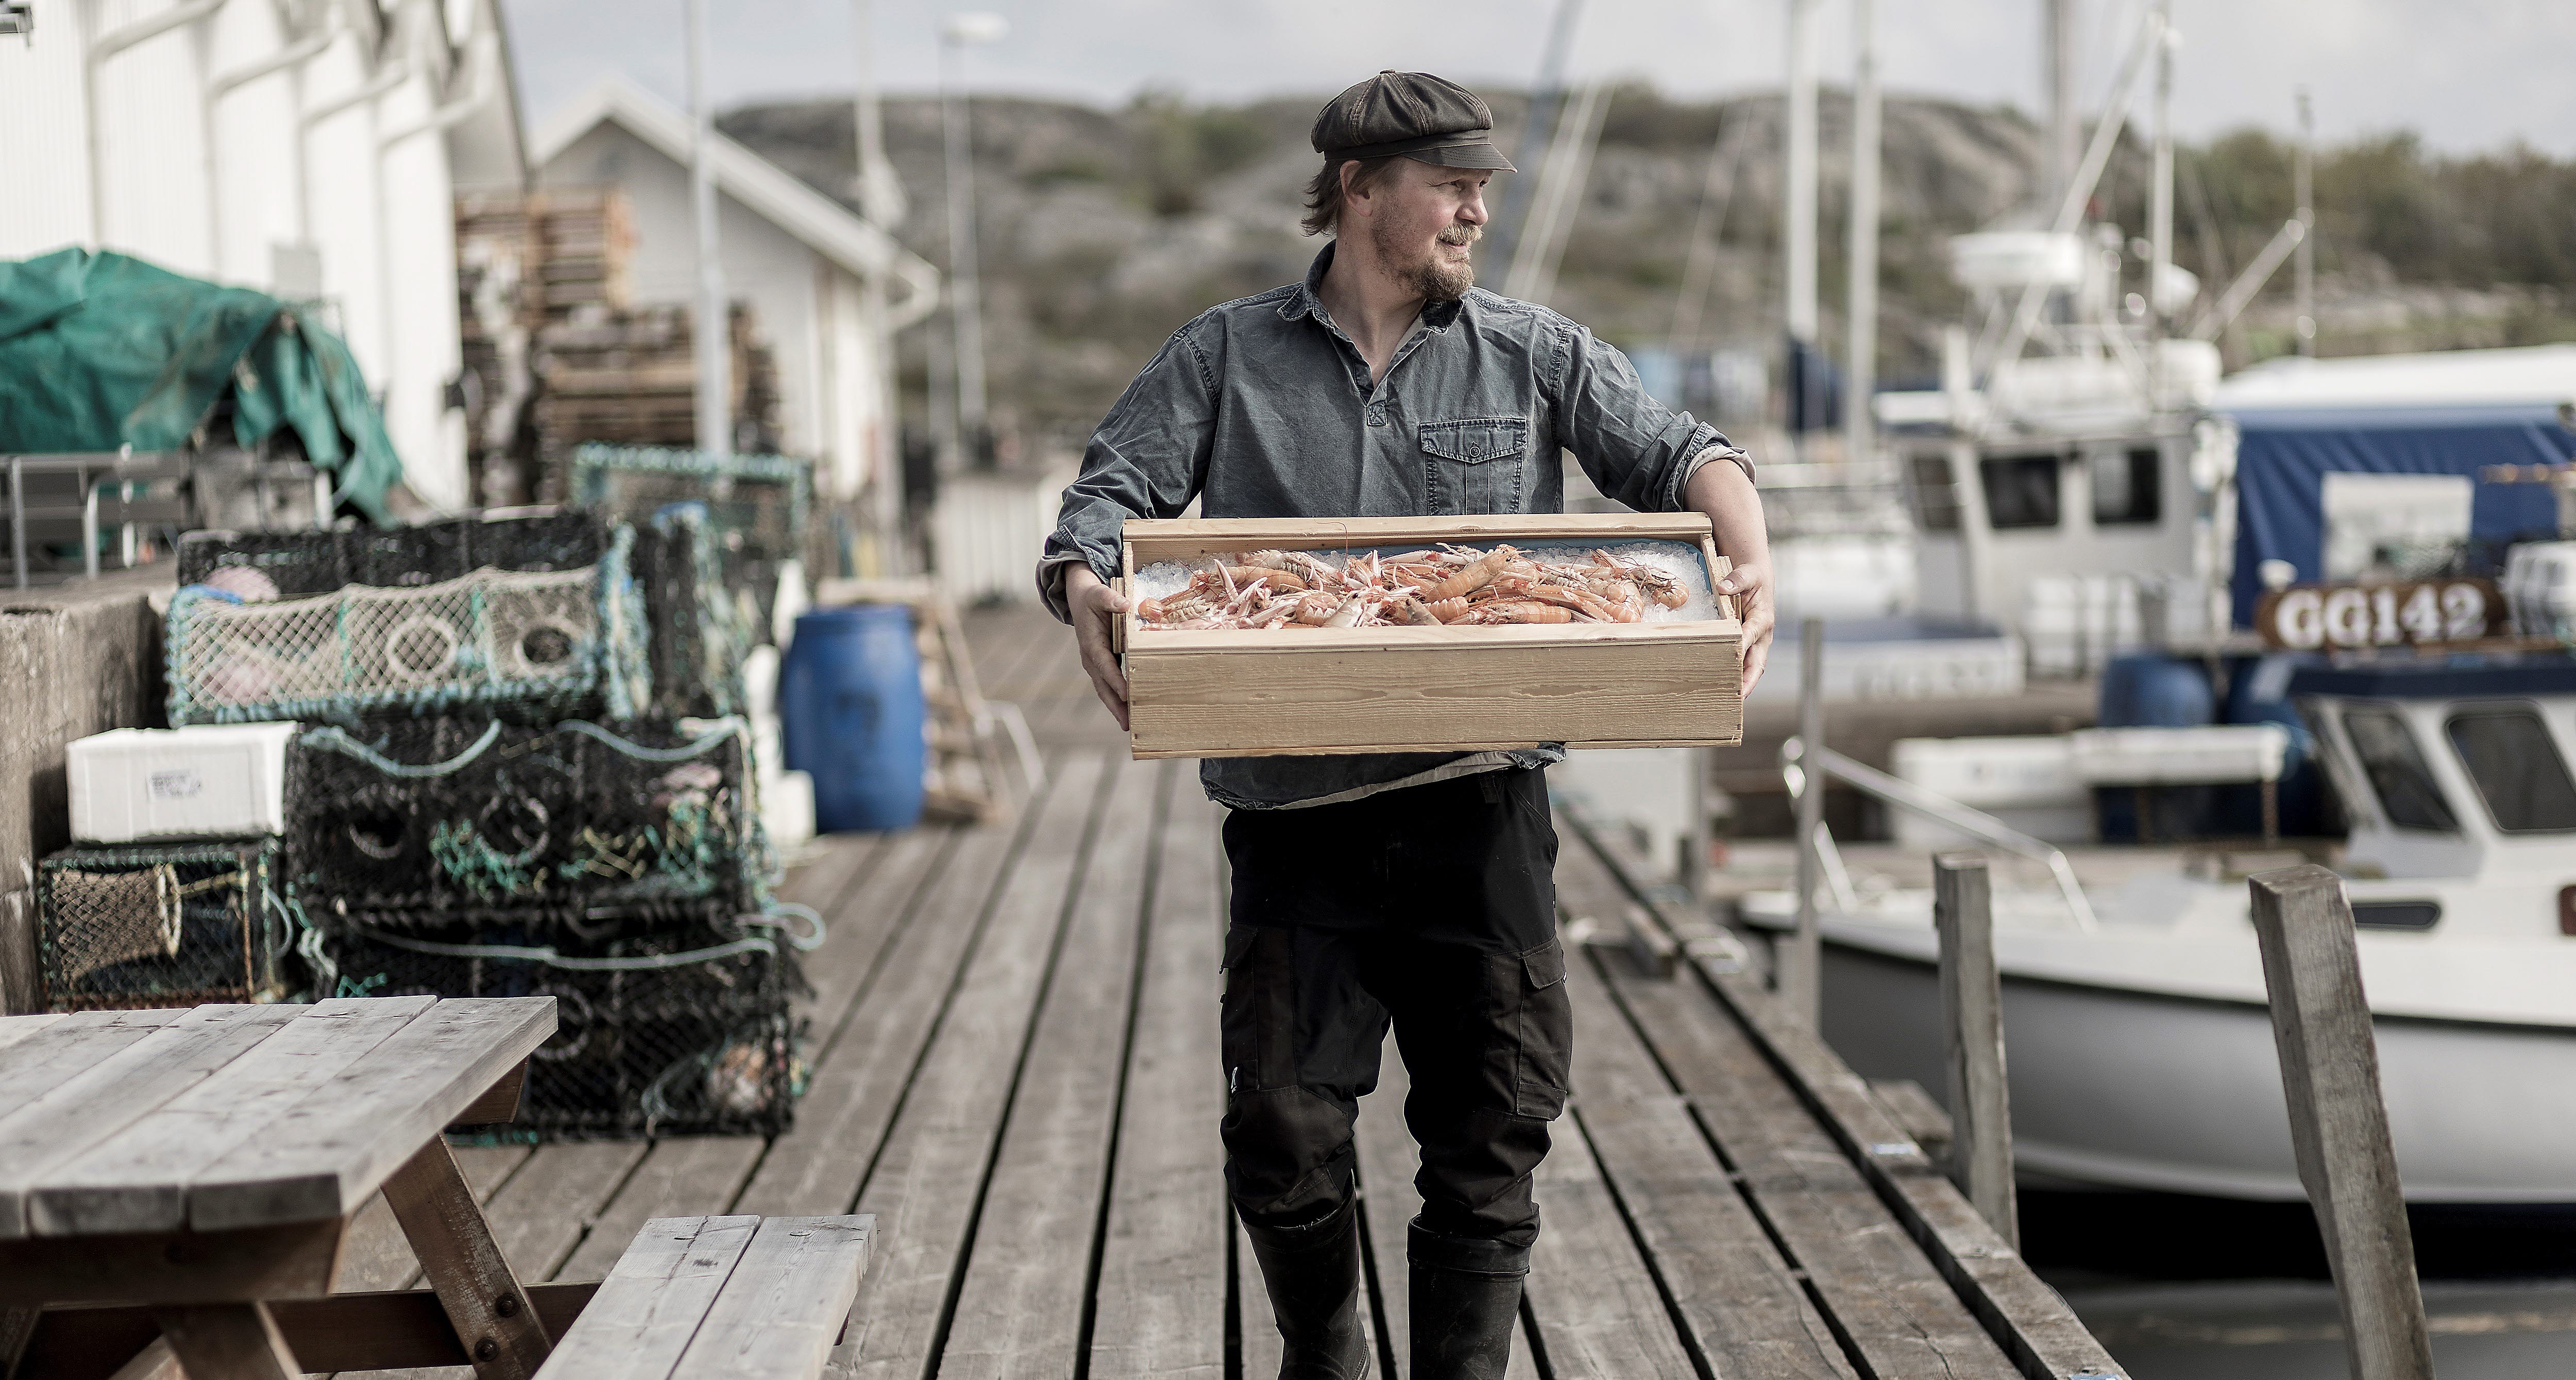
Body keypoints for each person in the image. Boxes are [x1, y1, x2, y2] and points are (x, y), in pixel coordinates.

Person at [1036, 70, 1775, 1380]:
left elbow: (1676, 449)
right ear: (1360, 192)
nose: (1475, 209)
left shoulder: (1531, 349)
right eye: (1450, 182)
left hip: (1480, 805)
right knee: (1278, 1126)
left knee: (1492, 1133)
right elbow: (1107, 497)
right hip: (1295, 812)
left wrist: (1747, 544)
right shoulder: (1223, 355)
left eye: (1481, 184)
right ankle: (1323, 1343)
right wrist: (1086, 579)